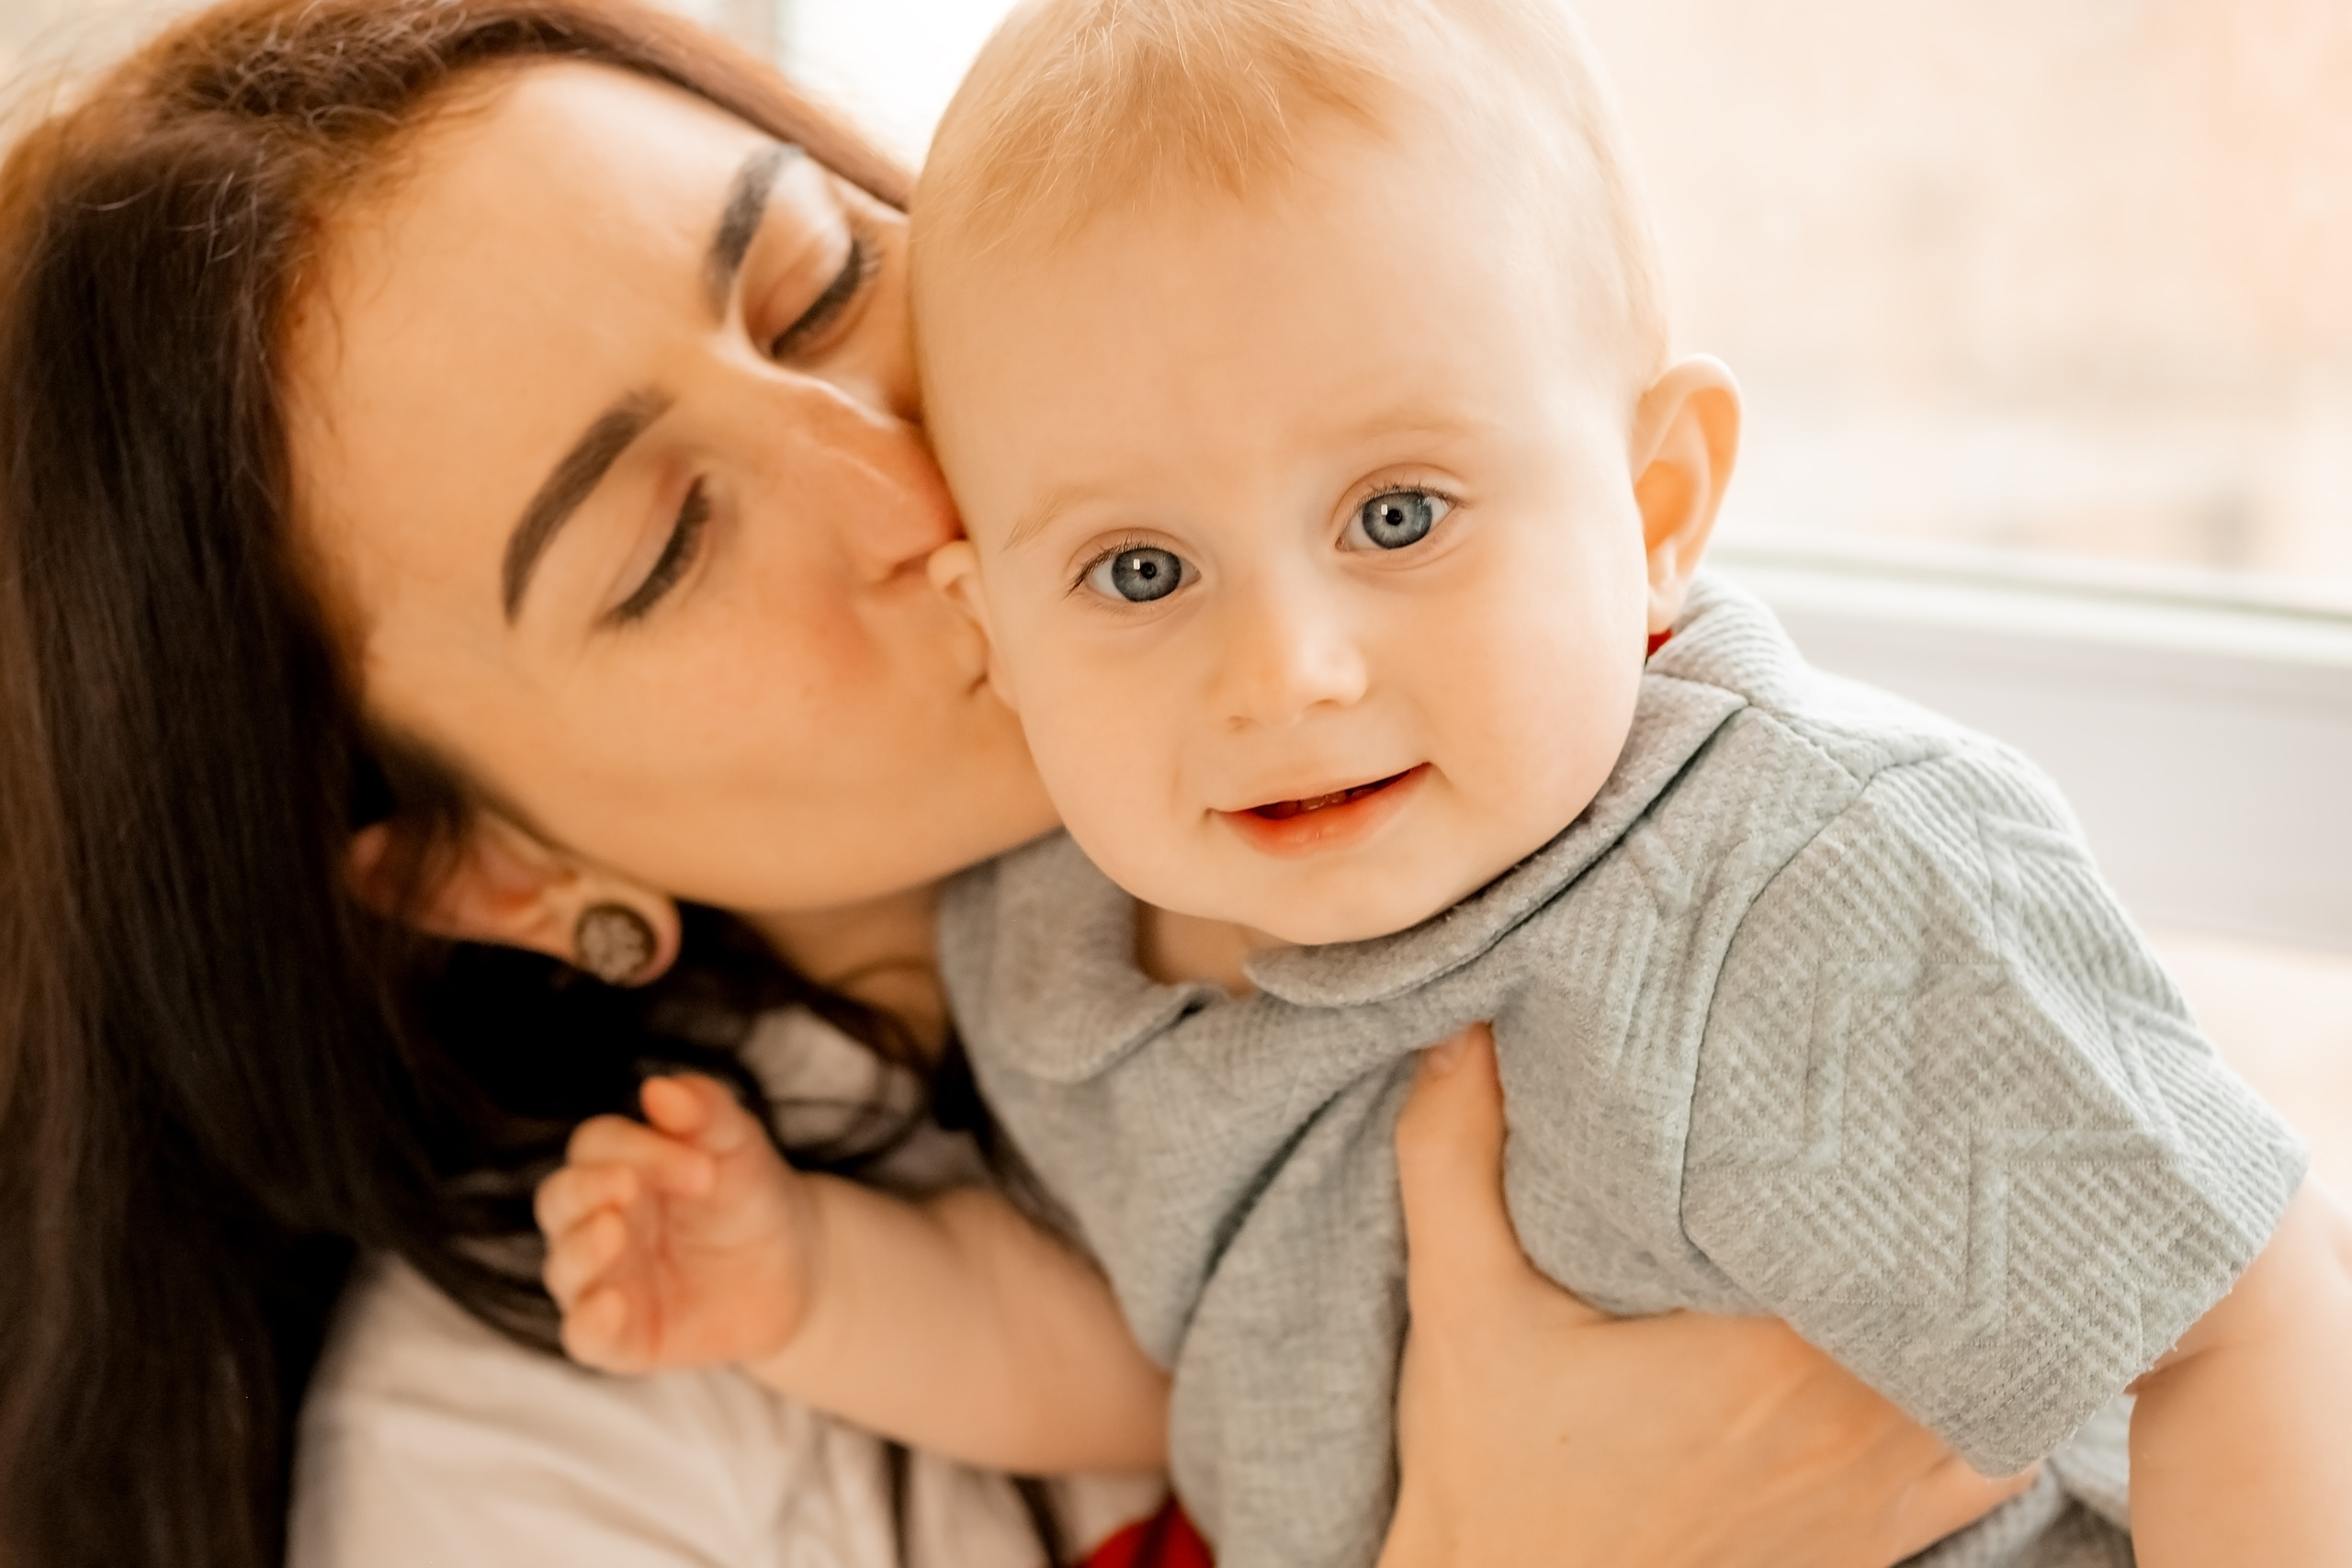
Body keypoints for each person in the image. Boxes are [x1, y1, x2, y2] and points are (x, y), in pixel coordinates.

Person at [0, 0, 2038, 1562]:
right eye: (668, 543)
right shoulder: (537, 1459)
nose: (904, 484)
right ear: (485, 866)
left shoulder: (1537, 732)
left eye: (821, 285)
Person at [537, 0, 2352, 1565]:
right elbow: (1166, 1359)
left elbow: (2236, 1310)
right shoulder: (1055, 940)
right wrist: (807, 1286)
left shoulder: (1796, 876)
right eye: (1141, 572)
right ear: (994, 629)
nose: (1285, 673)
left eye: (1395, 516)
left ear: (1651, 513)